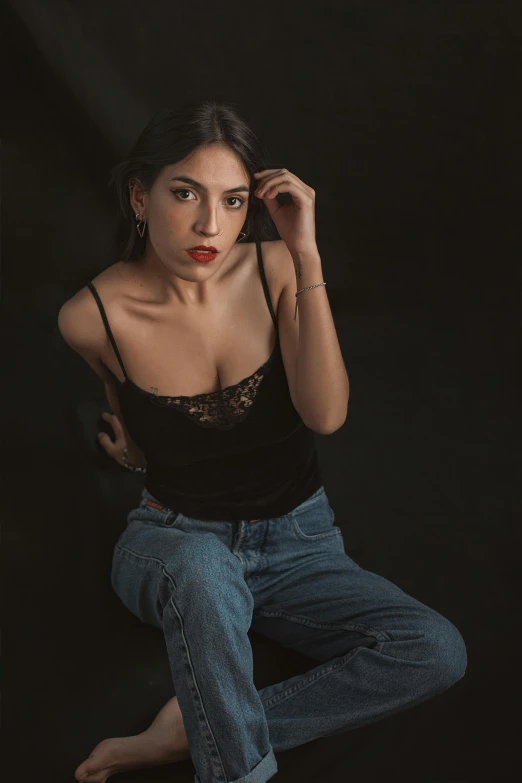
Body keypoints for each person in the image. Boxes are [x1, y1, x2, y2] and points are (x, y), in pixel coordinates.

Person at [58, 100, 467, 783]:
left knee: (435, 649)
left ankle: (197, 724)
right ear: (140, 195)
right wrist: (131, 446)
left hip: (300, 544)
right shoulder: (90, 317)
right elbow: (121, 406)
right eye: (184, 193)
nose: (210, 225)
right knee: (203, 570)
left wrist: (304, 251)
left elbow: (326, 412)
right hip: (174, 541)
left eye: (234, 199)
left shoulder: (278, 267)